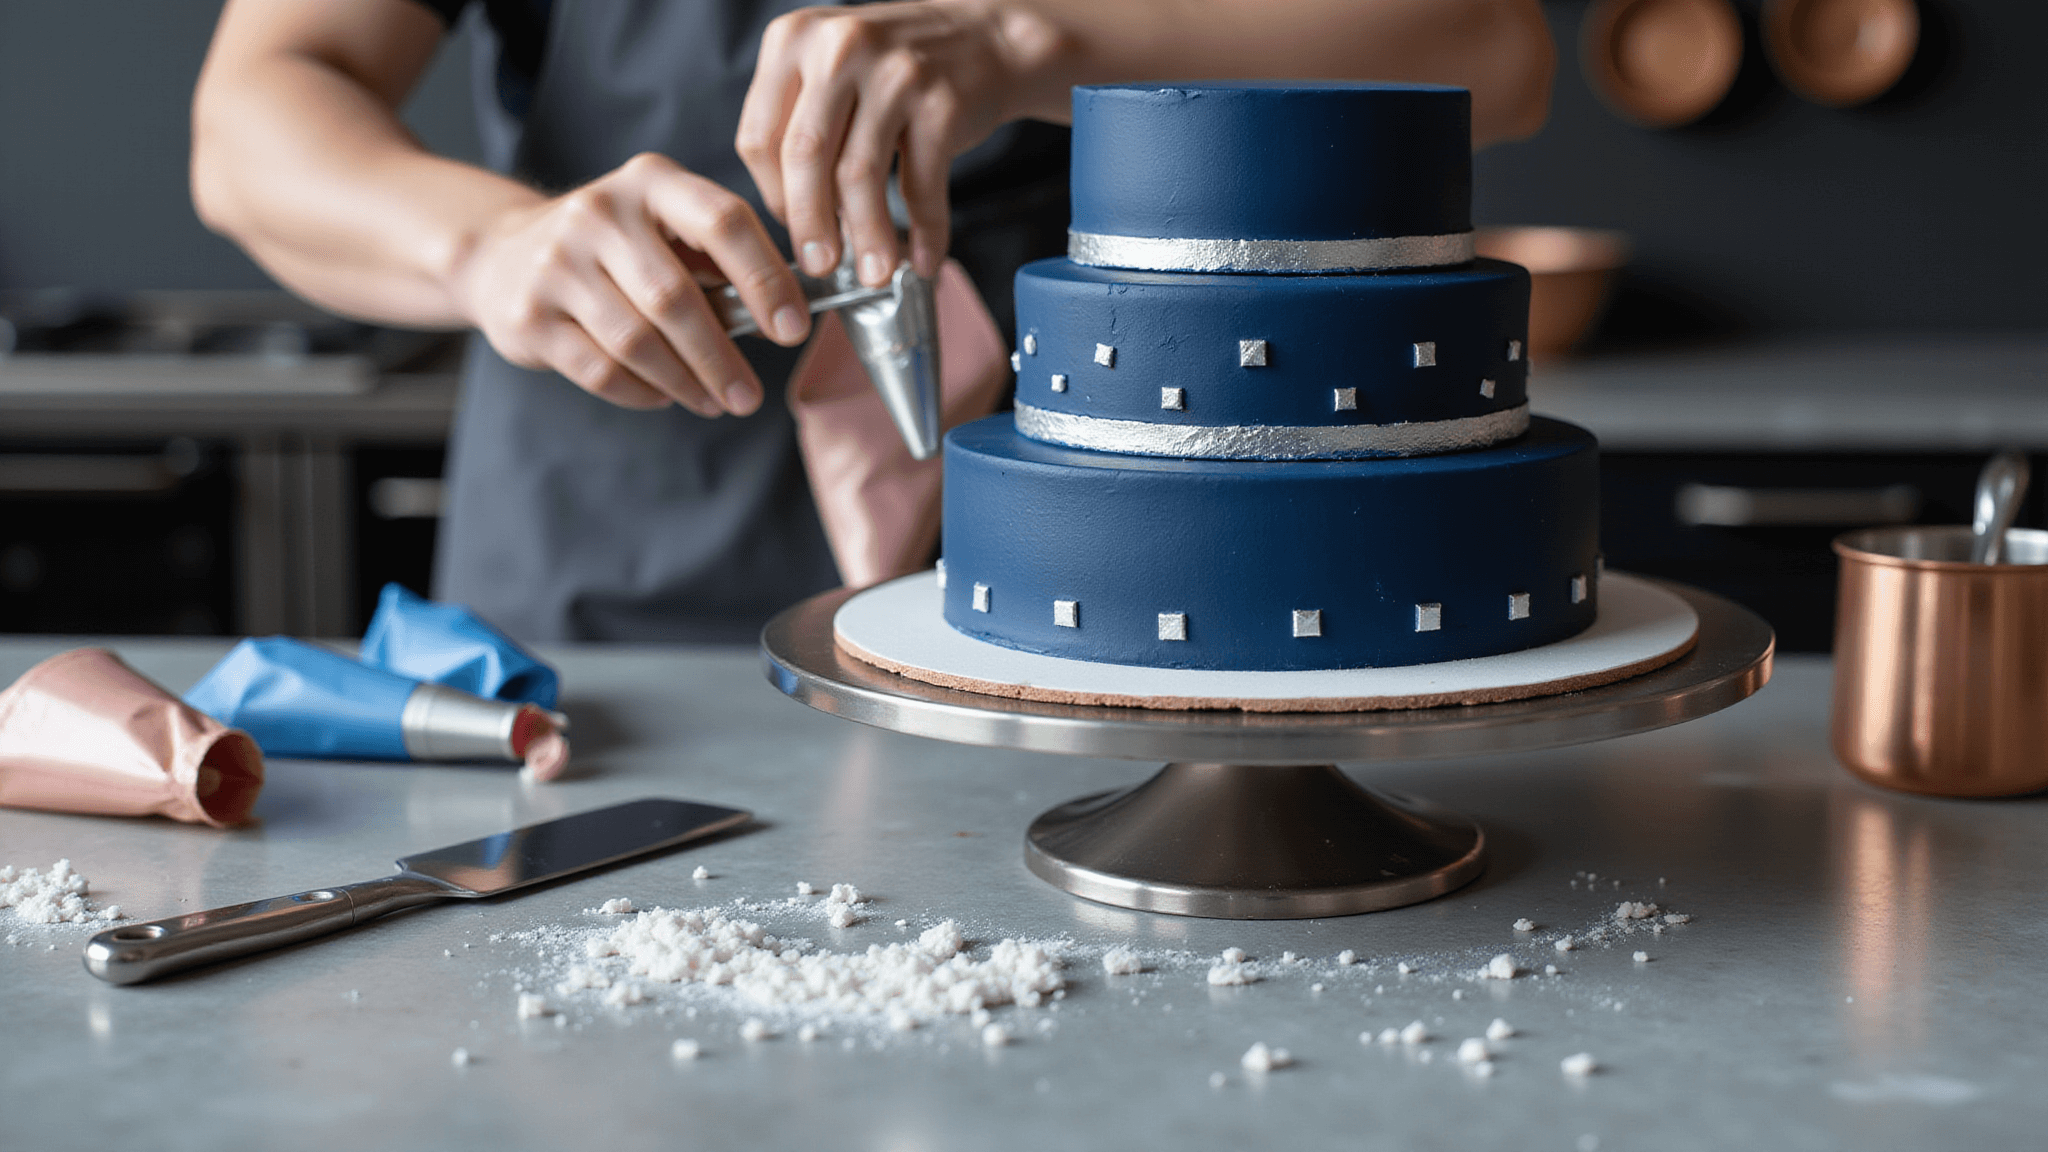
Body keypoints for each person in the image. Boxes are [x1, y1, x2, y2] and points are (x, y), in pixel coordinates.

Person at [191, 0, 1555, 643]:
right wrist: (486, 245)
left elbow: (1489, 49)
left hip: (1110, 581)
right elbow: (254, 113)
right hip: (604, 610)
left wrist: (1029, 43)